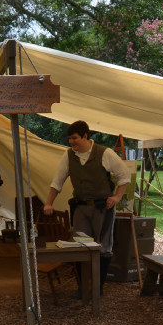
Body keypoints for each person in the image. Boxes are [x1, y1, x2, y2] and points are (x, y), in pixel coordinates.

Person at [43, 120, 130, 296]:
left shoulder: (105, 153)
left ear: (85, 136)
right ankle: (82, 288)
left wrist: (116, 197)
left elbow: (124, 176)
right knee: (79, 247)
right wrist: (48, 202)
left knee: (103, 248)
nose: (71, 142)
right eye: (69, 139)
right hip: (81, 208)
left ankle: (98, 288)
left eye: (74, 138)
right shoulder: (68, 156)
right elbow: (57, 182)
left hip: (102, 208)